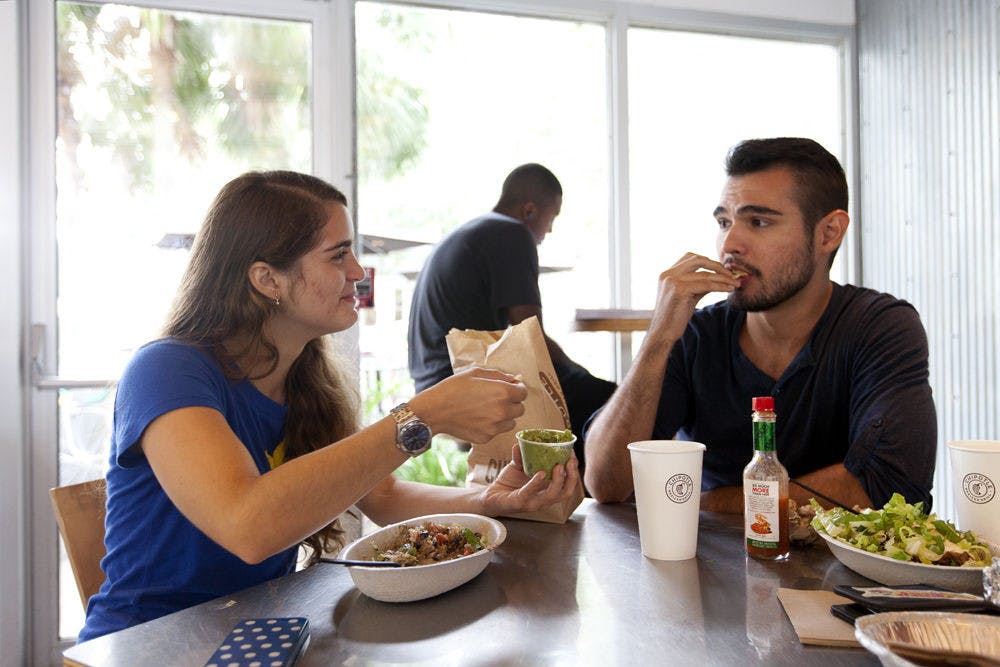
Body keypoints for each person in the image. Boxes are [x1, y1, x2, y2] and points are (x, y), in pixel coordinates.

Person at [79, 171, 579, 642]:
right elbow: (248, 525)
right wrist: (420, 416)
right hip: (149, 643)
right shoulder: (166, 371)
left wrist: (488, 503)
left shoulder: (306, 379)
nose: (359, 272)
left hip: (252, 629)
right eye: (337, 255)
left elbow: (380, 494)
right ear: (267, 279)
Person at [583, 138, 936, 513]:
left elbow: (890, 489)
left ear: (828, 233)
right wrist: (658, 338)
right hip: (709, 567)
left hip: (839, 570)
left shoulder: (879, 327)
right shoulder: (698, 334)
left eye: (759, 221)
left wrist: (706, 504)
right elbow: (606, 484)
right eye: (724, 222)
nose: (729, 244)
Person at [407, 163, 616, 460]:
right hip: (463, 380)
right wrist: (581, 373)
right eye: (552, 217)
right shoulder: (512, 234)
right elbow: (531, 339)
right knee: (612, 407)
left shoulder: (473, 231)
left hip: (433, 382)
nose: (550, 229)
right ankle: (576, 499)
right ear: (530, 210)